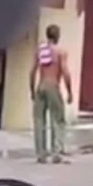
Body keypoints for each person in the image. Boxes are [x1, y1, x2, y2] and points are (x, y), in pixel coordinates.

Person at [29, 24, 73, 164]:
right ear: (58, 36)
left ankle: (41, 154)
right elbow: (65, 72)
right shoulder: (60, 52)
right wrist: (69, 91)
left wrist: (32, 90)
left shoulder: (40, 51)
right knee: (57, 120)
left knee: (39, 120)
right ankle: (56, 153)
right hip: (53, 86)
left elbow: (32, 71)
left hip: (41, 86)